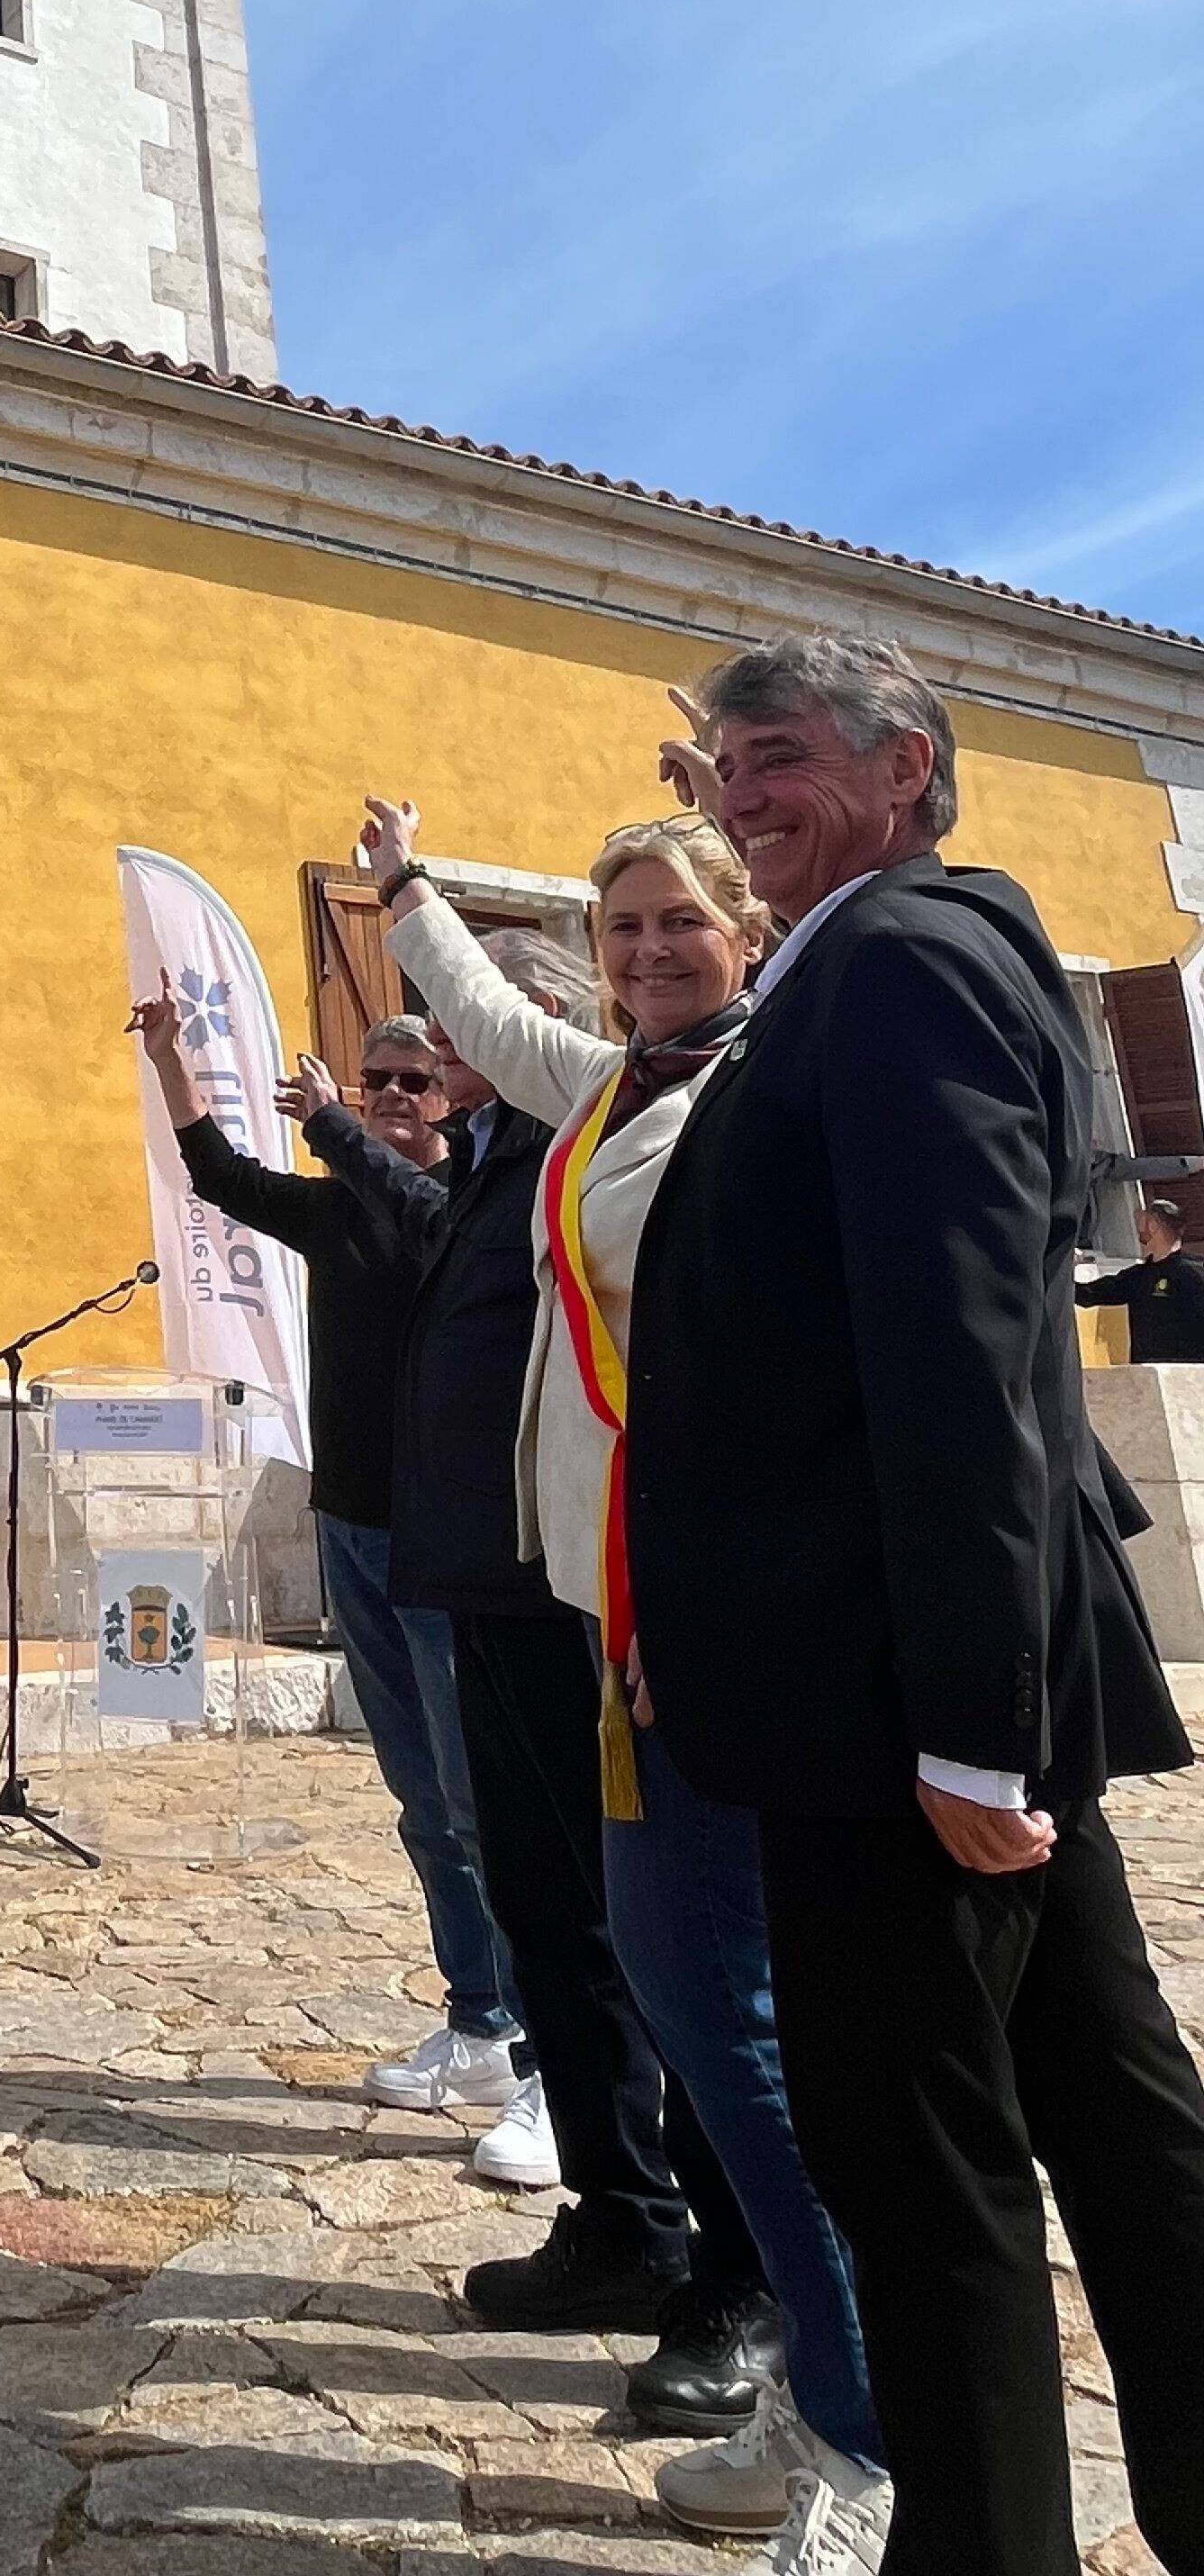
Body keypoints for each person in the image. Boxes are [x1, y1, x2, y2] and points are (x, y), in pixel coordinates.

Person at [632, 632, 1204, 2576]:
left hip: (893, 1704)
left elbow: (962, 1353)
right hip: (923, 1676)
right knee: (1119, 2128)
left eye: (778, 756)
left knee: (926, 2176)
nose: (742, 795)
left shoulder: (899, 961)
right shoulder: (871, 963)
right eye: (723, 766)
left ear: (911, 768)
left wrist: (974, 1720)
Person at [364, 792, 883, 2563]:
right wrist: (407, 894)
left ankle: (861, 2441)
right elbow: (500, 1032)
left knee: (747, 2035)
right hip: (614, 1627)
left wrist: (811, 843)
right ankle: (817, 2407)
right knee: (696, 2013)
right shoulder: (616, 1088)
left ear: (751, 931)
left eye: (686, 923)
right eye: (626, 932)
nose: (653, 954)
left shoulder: (769, 1081)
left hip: (726, 1631)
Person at [303, 913, 769, 2429]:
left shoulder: (620, 1130)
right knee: (551, 1930)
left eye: (457, 1024)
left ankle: (739, 2277)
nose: (434, 1051)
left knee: (665, 1948)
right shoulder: (513, 1156)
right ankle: (622, 2221)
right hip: (481, 1586)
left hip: (586, 1593)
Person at [127, 983, 522, 2114]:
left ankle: (548, 2044)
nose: (396, 1096)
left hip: (456, 1542)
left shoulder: (466, 1199)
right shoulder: (337, 1207)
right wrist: (170, 1059)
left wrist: (335, 1129)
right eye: (377, 1082)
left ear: (451, 1091)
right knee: (417, 1796)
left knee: (479, 1798)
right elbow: (219, 1174)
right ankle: (478, 2019)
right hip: (353, 1524)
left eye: (416, 1079)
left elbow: (419, 1221)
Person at [1078, 1192, 1204, 1360]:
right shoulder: (1138, 1277)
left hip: (1189, 1378)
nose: (1138, 1229)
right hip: (1147, 1377)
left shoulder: (1195, 1273)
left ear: (1152, 1225)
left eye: (1141, 1221)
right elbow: (1090, 1294)